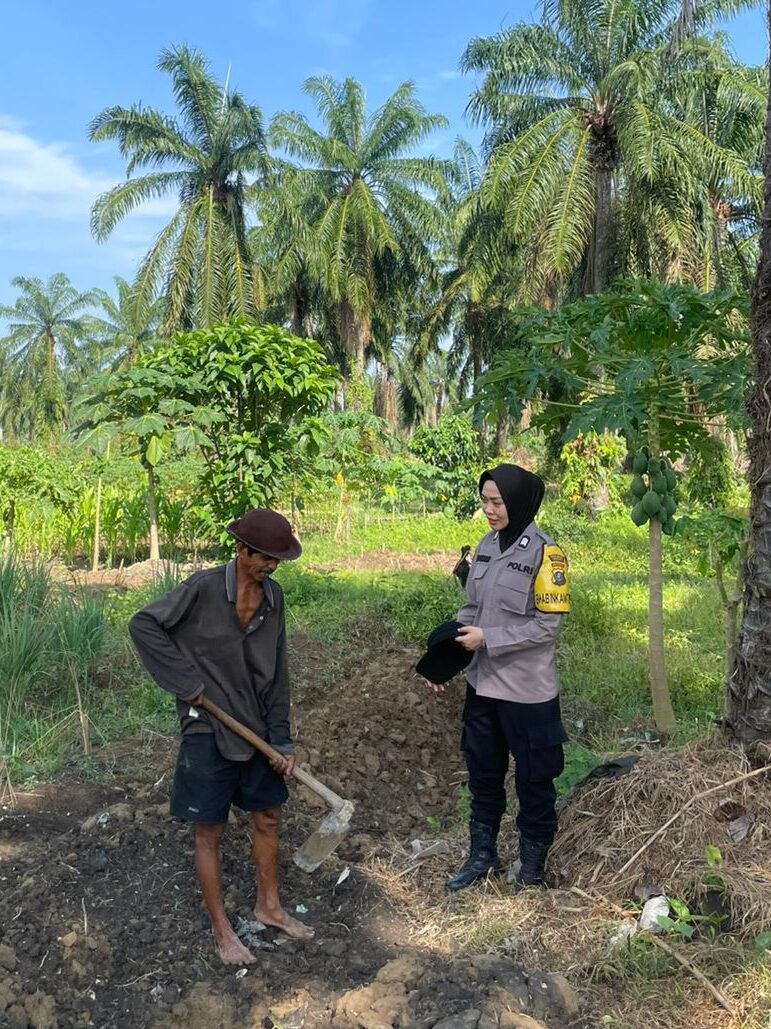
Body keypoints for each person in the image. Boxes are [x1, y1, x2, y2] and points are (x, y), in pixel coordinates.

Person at [128, 508, 314, 965]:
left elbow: (279, 673)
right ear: (241, 550)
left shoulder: (275, 600)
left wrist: (282, 738)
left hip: (252, 726)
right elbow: (143, 625)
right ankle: (222, 931)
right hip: (206, 724)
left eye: (278, 560)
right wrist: (184, 682)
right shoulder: (203, 588)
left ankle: (268, 907)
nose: (272, 566)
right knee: (209, 829)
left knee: (268, 814)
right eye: (265, 557)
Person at [423, 464, 570, 891]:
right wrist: (443, 661)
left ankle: (531, 869)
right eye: (484, 501)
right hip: (483, 687)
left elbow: (548, 627)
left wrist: (491, 638)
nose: (488, 510)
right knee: (484, 776)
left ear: (519, 502)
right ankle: (482, 857)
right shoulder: (486, 547)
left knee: (535, 781)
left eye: (497, 502)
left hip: (527, 693)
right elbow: (470, 613)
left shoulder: (547, 554)